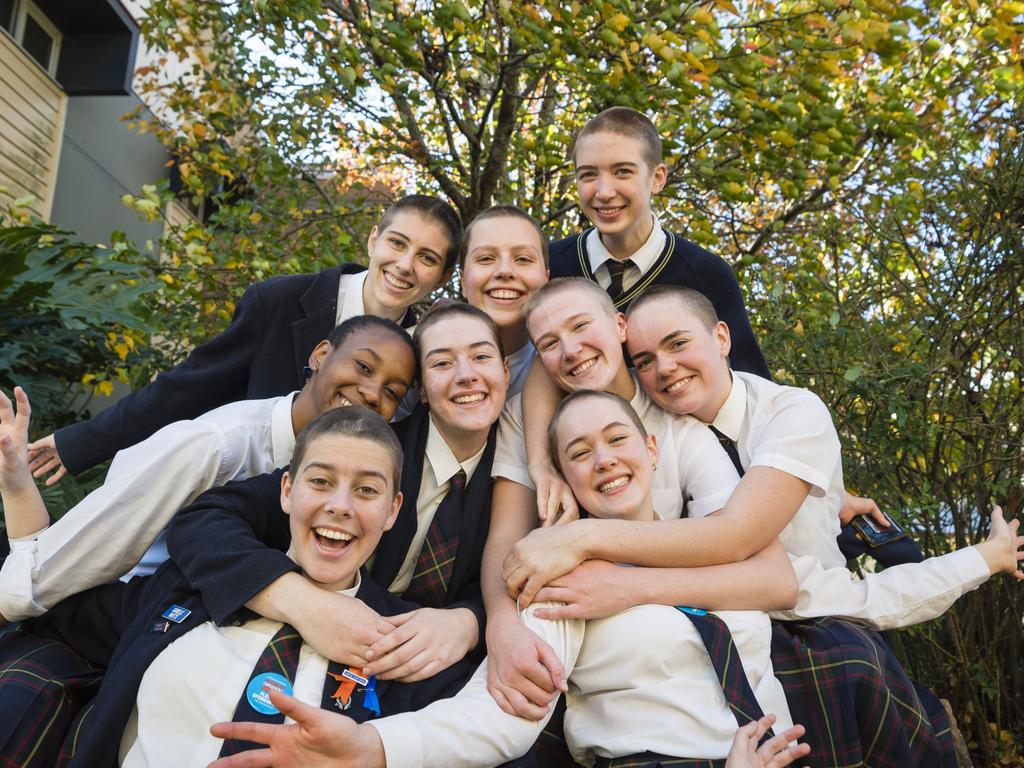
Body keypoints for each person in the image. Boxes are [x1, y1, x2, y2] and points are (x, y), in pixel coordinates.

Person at [207, 392, 1021, 767]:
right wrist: (374, 748)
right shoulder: (562, 580)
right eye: (579, 452)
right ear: (560, 479)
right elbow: (496, 718)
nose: (604, 458)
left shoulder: (724, 559)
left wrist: (984, 561)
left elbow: (869, 599)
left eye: (616, 439)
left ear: (654, 451)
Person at [0, 403, 479, 767]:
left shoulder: (410, 647)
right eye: (320, 481)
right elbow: (54, 603)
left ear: (393, 511)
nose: (340, 505)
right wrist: (18, 486)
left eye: (367, 490)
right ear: (286, 491)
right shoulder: (183, 591)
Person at [163, 302, 510, 687]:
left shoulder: (519, 479)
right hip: (300, 652)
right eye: (442, 364)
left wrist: (470, 621)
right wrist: (295, 598)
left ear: (506, 372)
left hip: (421, 681)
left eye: (481, 357)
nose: (466, 375)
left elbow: (505, 579)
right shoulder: (364, 448)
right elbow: (205, 520)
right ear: (422, 391)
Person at [0, 316, 417, 624]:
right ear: (321, 355)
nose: (370, 392)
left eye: (392, 392)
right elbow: (78, 558)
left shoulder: (340, 471)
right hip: (126, 615)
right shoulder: (216, 446)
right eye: (363, 367)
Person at [27, 194, 462, 485]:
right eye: (397, 243)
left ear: (442, 277)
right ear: (373, 239)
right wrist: (80, 442)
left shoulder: (423, 353)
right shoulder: (279, 301)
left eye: (426, 258)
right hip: (227, 499)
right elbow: (185, 389)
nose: (404, 265)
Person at [459, 204, 549, 396]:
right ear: (463, 281)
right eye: (485, 258)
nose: (505, 271)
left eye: (523, 259)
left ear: (546, 278)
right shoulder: (416, 357)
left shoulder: (571, 360)